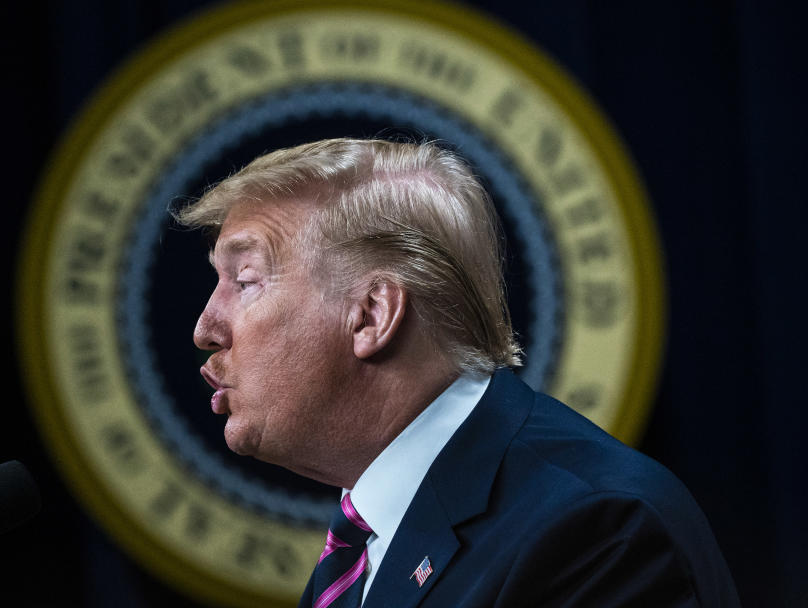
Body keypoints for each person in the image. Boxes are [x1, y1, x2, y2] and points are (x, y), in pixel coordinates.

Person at [176, 138, 740, 607]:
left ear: (372, 315)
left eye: (244, 281)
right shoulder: (363, 542)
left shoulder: (599, 534)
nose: (205, 327)